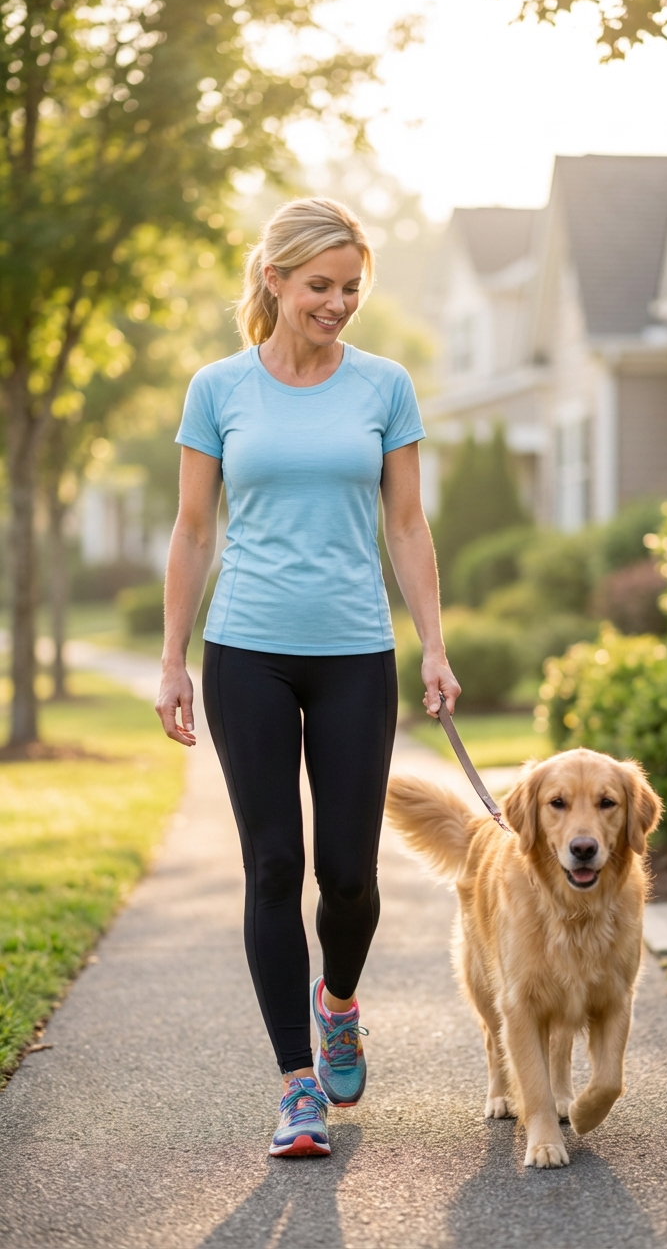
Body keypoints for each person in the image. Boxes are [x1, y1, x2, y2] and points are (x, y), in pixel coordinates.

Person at [155, 197, 460, 1158]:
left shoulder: (385, 387)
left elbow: (406, 526)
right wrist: (172, 660)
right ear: (275, 279)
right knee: (274, 866)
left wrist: (436, 646)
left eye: (350, 289)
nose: (336, 304)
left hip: (354, 654)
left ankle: (339, 1004)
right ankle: (297, 1086)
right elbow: (194, 530)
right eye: (320, 286)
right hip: (246, 649)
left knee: (349, 875)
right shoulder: (218, 389)